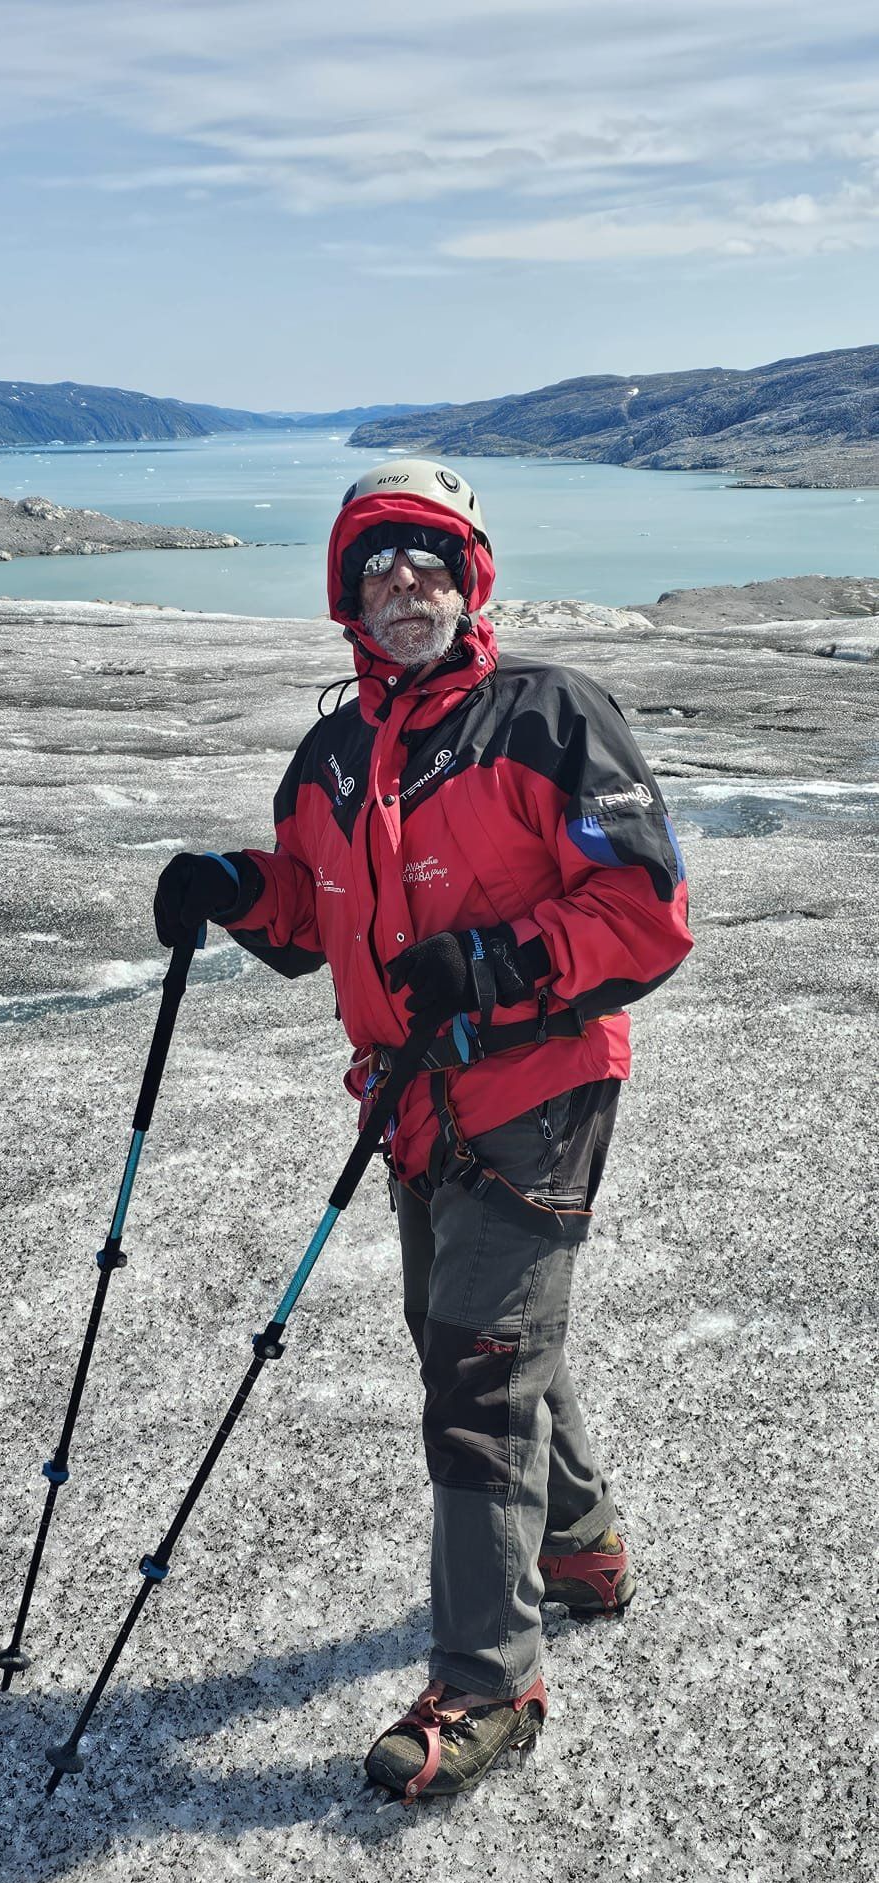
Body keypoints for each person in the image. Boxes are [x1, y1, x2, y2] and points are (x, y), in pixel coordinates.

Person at [155, 458, 693, 1803]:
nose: (406, 583)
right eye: (377, 564)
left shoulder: (549, 715)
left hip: (536, 1087)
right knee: (474, 1342)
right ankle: (578, 1547)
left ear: (471, 576)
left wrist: (500, 965)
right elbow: (313, 909)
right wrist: (233, 886)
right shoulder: (333, 755)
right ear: (347, 592)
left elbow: (642, 912)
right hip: (407, 1100)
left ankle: (489, 1681)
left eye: (430, 560)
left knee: (474, 1372)